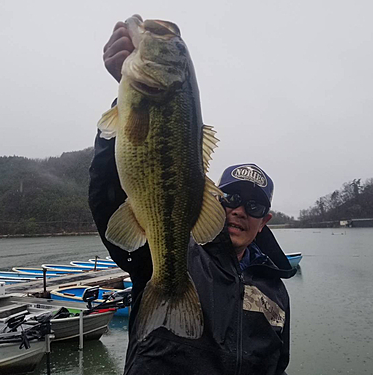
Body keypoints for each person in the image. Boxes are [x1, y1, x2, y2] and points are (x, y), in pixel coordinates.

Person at [89, 16, 295, 375]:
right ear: (213, 200)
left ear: (266, 221)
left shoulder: (276, 292)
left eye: (255, 205)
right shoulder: (171, 256)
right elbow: (109, 202)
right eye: (230, 198)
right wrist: (125, 92)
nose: (240, 211)